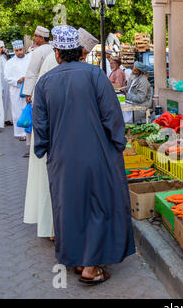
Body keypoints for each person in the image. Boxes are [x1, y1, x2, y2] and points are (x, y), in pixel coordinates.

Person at [32, 25, 135, 284]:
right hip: (97, 154)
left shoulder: (45, 82)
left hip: (62, 159)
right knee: (97, 206)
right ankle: (91, 267)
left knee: (70, 207)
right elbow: (112, 115)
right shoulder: (95, 75)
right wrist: (118, 142)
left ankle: (78, 260)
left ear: (57, 53)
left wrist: (43, 148)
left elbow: (40, 126)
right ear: (80, 51)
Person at [24, 27, 100, 241]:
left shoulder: (64, 62)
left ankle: (56, 227)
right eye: (83, 53)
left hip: (54, 134)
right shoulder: (54, 62)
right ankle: (54, 229)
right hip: (53, 135)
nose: (83, 58)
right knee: (53, 183)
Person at [22, 26, 52, 158]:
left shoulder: (38, 52)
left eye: (35, 36)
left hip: (39, 91)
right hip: (54, 91)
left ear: (41, 38)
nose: (34, 38)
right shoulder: (54, 49)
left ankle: (37, 147)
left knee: (38, 121)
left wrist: (28, 93)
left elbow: (32, 73)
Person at [4, 40, 30, 140]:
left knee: (28, 110)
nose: (19, 52)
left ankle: (29, 132)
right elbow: (6, 77)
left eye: (20, 49)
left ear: (23, 49)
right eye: (16, 50)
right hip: (16, 90)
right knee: (17, 112)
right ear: (14, 51)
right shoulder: (10, 63)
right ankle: (20, 133)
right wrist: (18, 80)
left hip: (29, 89)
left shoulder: (30, 59)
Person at [0, 40, 12, 126]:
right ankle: (0, 120)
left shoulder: (3, 57)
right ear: (0, 48)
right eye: (3, 47)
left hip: (6, 83)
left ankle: (7, 119)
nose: (4, 48)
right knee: (0, 102)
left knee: (7, 101)